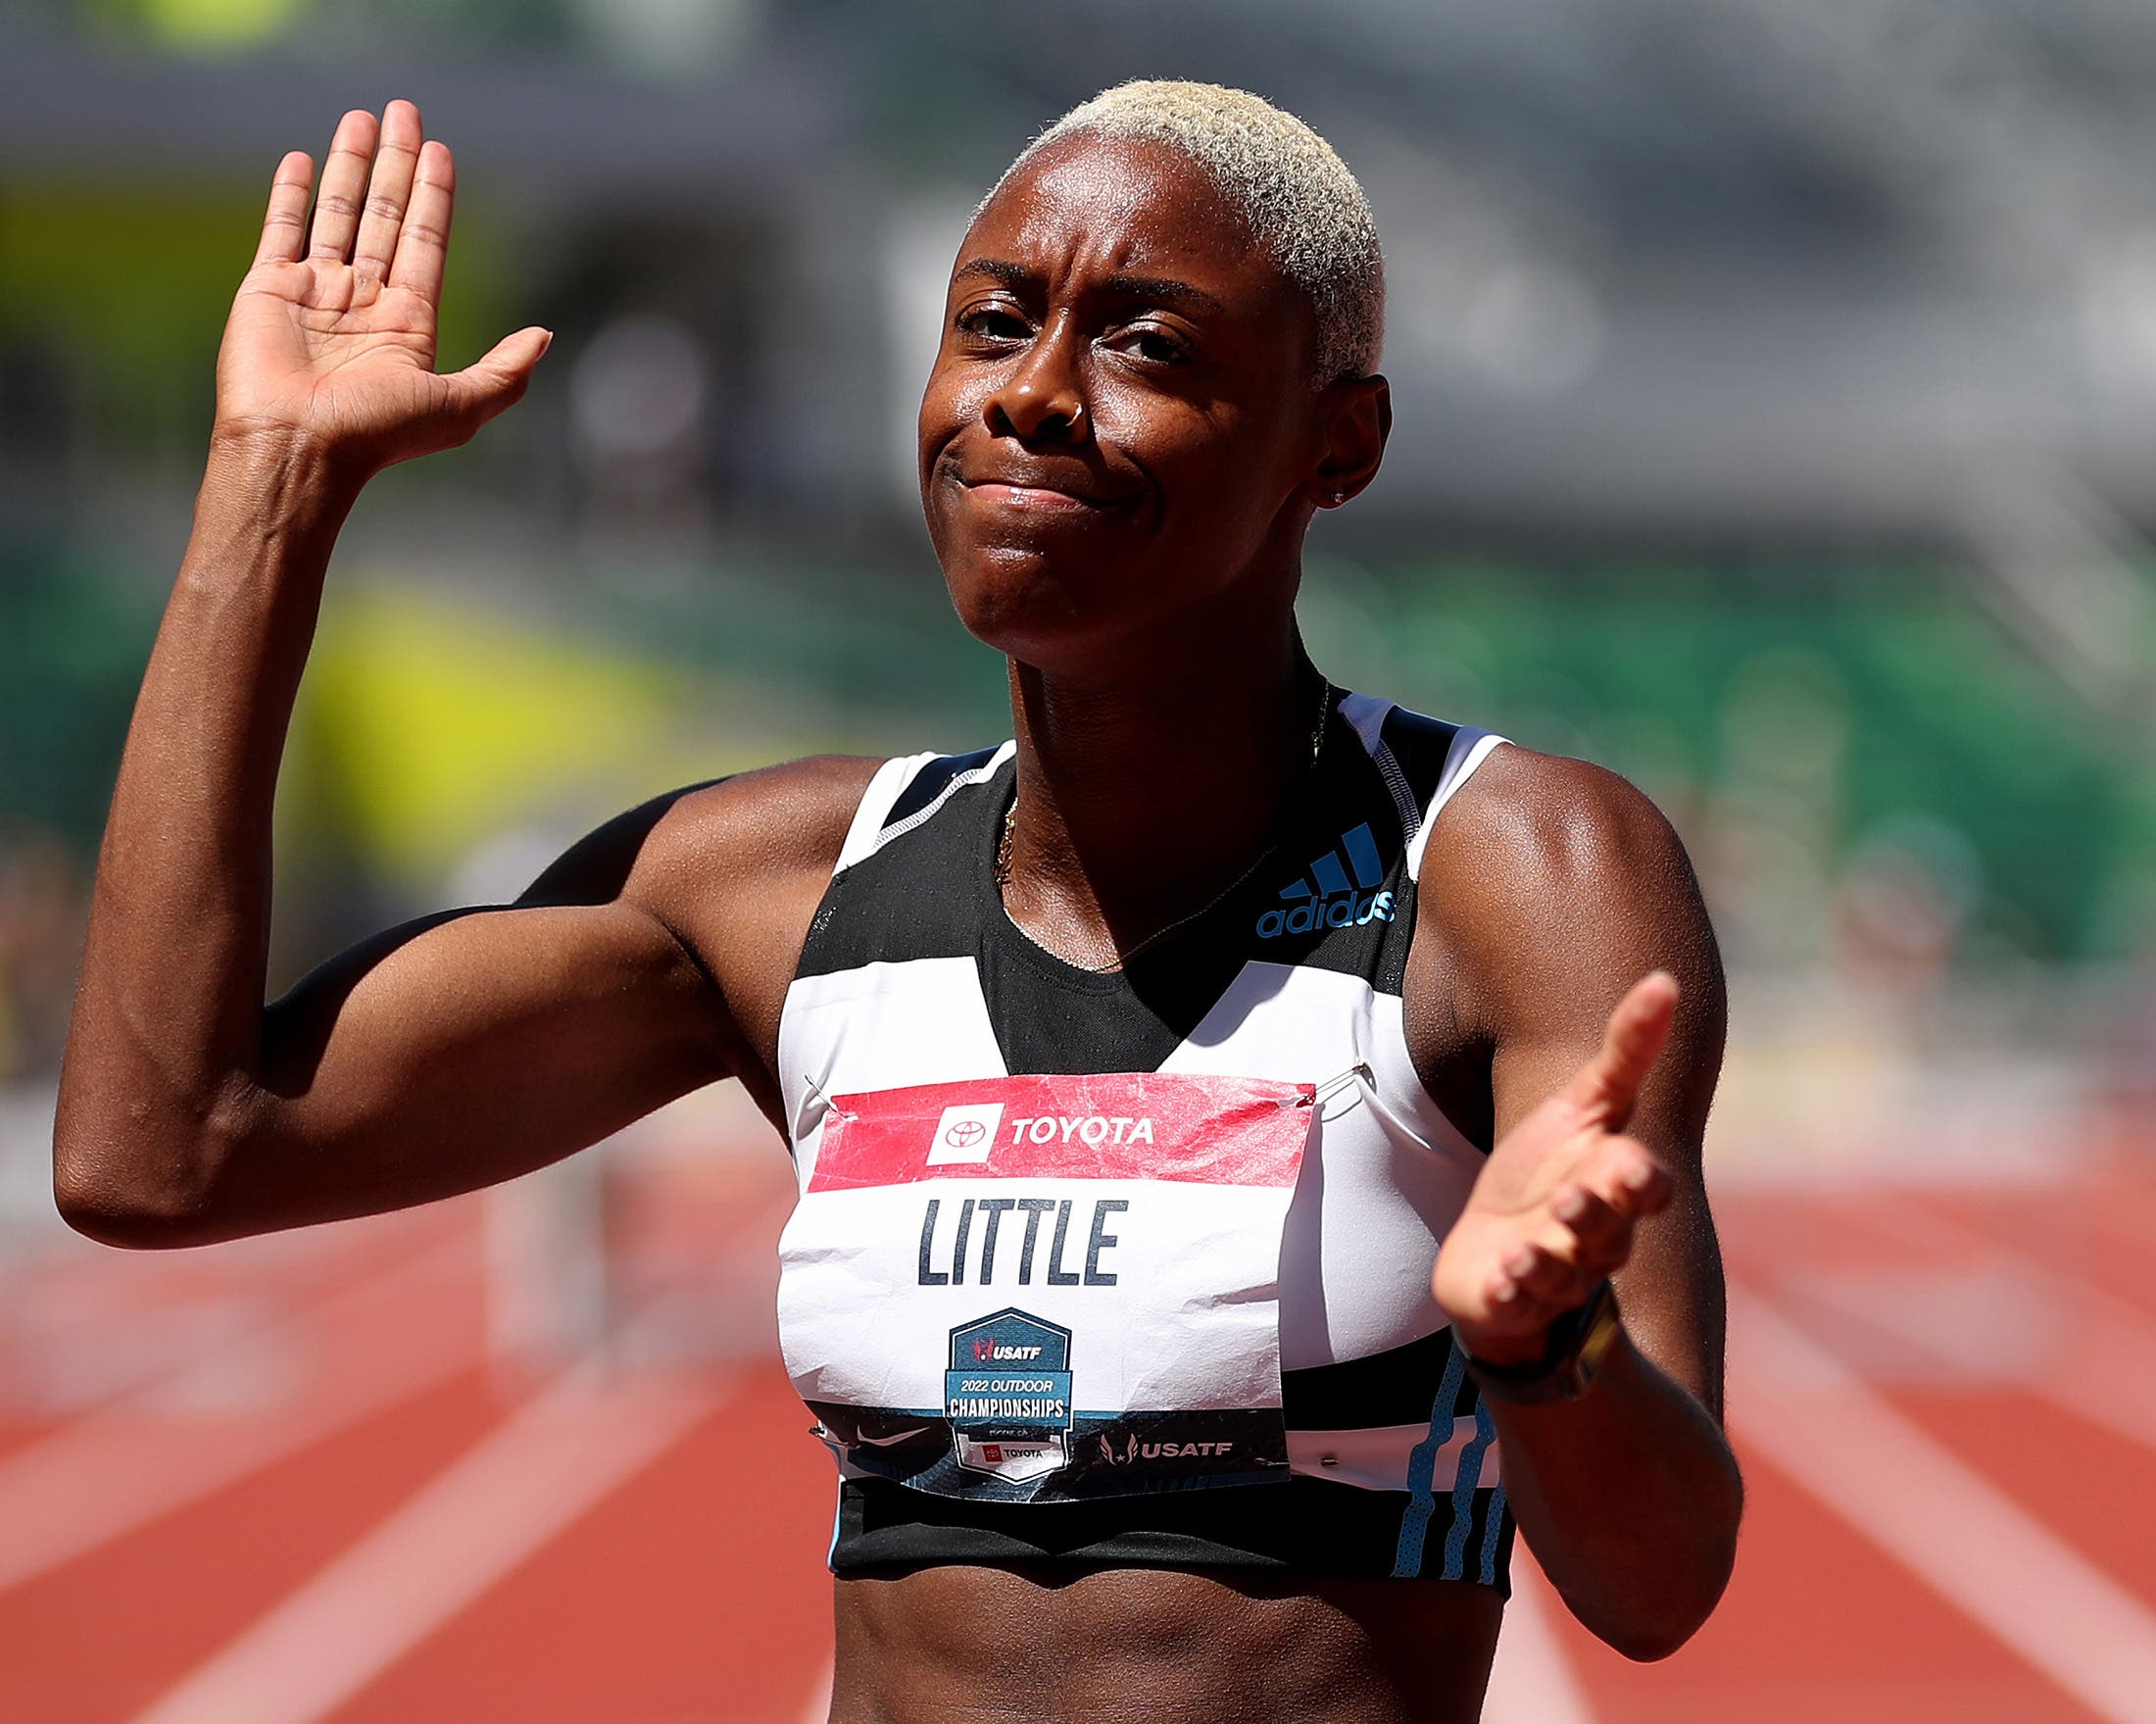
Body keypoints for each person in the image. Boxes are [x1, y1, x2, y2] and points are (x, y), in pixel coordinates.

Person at [55, 81, 1740, 1724]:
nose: (1034, 395)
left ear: (1338, 445)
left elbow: (1659, 1586)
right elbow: (163, 1150)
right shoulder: (781, 890)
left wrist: (1547, 1347)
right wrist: (269, 491)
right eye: (994, 322)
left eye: (1146, 344)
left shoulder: (1508, 870)